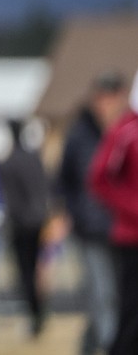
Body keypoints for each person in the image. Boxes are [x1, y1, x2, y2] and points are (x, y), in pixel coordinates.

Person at [57, 72, 128, 355]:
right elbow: (64, 181)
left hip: (123, 228)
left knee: (116, 296)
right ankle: (112, 346)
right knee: (102, 294)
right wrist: (75, 214)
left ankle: (91, 344)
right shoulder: (79, 134)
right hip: (90, 229)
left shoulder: (126, 132)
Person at [89, 80, 138, 355]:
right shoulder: (126, 130)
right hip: (132, 239)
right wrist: (133, 209)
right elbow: (99, 179)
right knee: (131, 315)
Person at [0, 118, 51, 337]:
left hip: (20, 225)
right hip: (36, 221)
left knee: (26, 272)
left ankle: (35, 315)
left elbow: (10, 198)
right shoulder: (33, 157)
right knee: (35, 269)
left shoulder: (8, 162)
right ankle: (38, 313)